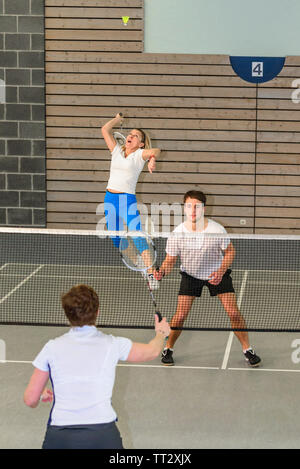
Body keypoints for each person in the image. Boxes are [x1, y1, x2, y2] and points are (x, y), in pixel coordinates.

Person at [24, 284, 170, 449]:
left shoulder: (51, 347)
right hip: (102, 436)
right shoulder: (113, 344)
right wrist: (161, 333)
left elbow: (30, 399)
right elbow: (152, 351)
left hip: (61, 437)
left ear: (67, 315)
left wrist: (40, 395)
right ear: (97, 312)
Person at [154, 190, 261, 368]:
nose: (193, 210)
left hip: (216, 274)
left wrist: (220, 271)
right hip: (191, 275)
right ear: (184, 208)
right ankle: (168, 348)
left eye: (197, 206)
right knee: (180, 316)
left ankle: (247, 349)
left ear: (204, 208)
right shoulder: (177, 233)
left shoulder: (216, 229)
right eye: (189, 206)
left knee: (233, 312)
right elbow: (169, 261)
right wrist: (162, 272)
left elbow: (230, 252)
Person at [101, 113, 161, 289]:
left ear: (141, 144)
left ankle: (151, 274)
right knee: (117, 240)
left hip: (127, 200)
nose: (131, 136)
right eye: (130, 134)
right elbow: (105, 129)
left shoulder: (140, 154)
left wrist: (152, 159)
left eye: (136, 136)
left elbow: (156, 150)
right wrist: (117, 121)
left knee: (137, 235)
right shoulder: (116, 151)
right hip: (109, 199)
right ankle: (141, 266)